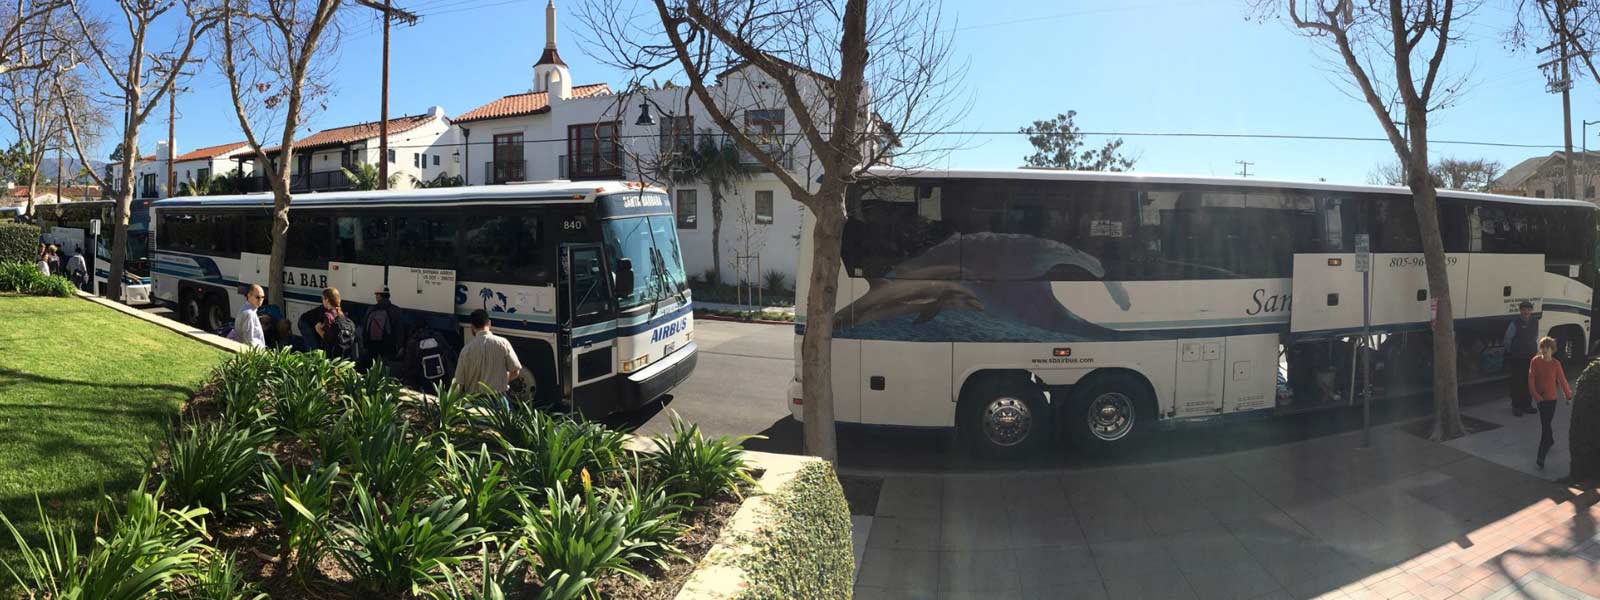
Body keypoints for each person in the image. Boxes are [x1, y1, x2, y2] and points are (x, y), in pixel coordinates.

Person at [454, 309, 522, 397]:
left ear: (472, 327)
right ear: (489, 323)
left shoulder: (466, 350)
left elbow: (459, 382)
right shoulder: (503, 343)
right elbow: (515, 371)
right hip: (498, 400)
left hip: (474, 402)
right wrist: (502, 380)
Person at [1529, 336, 1574, 470]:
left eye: (1547, 348)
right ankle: (1545, 448)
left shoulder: (1556, 364)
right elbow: (1530, 381)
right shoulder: (1535, 361)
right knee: (1545, 425)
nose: (1544, 350)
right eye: (1542, 347)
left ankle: (1545, 448)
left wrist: (1568, 396)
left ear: (1552, 349)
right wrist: (1536, 396)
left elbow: (1562, 380)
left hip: (1552, 399)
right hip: (1540, 400)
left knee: (1546, 424)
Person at [1504, 301, 1540, 416]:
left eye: (1528, 310)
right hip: (1517, 357)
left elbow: (1535, 336)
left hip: (1530, 356)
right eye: (1524, 310)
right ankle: (1516, 406)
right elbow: (1507, 339)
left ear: (1531, 311)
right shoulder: (1515, 323)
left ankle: (1527, 405)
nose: (1526, 312)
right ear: (1520, 311)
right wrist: (1512, 351)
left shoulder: (1535, 321)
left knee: (1529, 381)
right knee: (1517, 382)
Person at [362, 287, 407, 368]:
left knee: (372, 367)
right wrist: (400, 346)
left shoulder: (371, 309)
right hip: (388, 346)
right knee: (386, 368)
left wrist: (365, 345)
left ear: (379, 296)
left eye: (376, 295)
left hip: (372, 345)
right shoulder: (396, 310)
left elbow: (365, 328)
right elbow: (400, 330)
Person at [314, 287, 358, 360]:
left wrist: (318, 329)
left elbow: (328, 340)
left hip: (334, 357)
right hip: (345, 355)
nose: (322, 301)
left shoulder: (328, 315)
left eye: (323, 299)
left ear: (327, 300)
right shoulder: (341, 314)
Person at [230, 284, 267, 349]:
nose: (260, 300)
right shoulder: (249, 314)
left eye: (263, 297)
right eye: (257, 297)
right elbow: (248, 340)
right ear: (249, 295)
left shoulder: (247, 309)